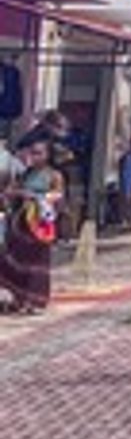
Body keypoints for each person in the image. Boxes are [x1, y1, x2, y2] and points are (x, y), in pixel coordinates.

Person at [0, 126, 61, 315]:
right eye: (32, 153)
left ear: (48, 155)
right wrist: (12, 194)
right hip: (21, 226)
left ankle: (34, 301)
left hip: (39, 226)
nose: (34, 157)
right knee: (16, 261)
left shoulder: (54, 175)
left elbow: (57, 196)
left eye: (38, 153)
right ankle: (18, 298)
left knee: (35, 266)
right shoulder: (26, 174)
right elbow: (13, 191)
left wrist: (38, 198)